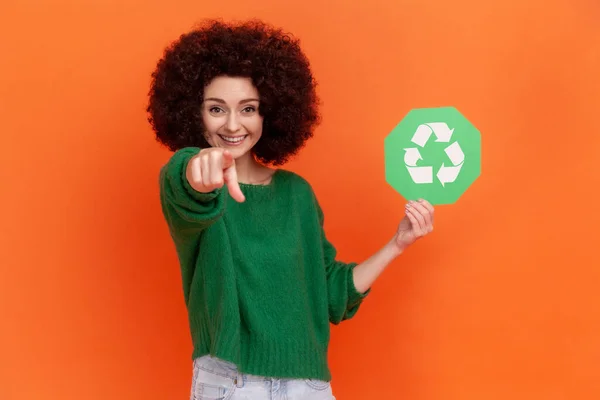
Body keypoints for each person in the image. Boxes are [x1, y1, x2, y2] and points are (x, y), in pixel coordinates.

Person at [146, 18, 435, 400]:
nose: (233, 124)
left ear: (269, 113)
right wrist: (197, 172)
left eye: (248, 108)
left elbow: (331, 295)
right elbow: (184, 186)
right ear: (193, 114)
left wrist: (398, 244)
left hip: (308, 386)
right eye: (216, 109)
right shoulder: (197, 188)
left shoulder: (298, 195)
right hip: (231, 383)